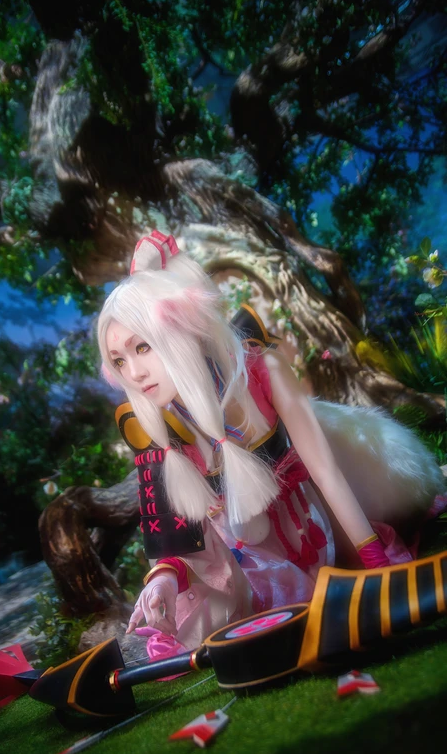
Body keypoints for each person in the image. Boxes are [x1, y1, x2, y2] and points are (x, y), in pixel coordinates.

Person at [97, 231, 446, 655]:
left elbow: (326, 472)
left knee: (353, 591)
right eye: (119, 361)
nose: (134, 373)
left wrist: (375, 560)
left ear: (180, 330)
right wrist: (164, 578)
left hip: (314, 525)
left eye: (143, 347)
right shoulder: (154, 425)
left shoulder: (261, 371)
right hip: (246, 560)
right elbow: (178, 529)